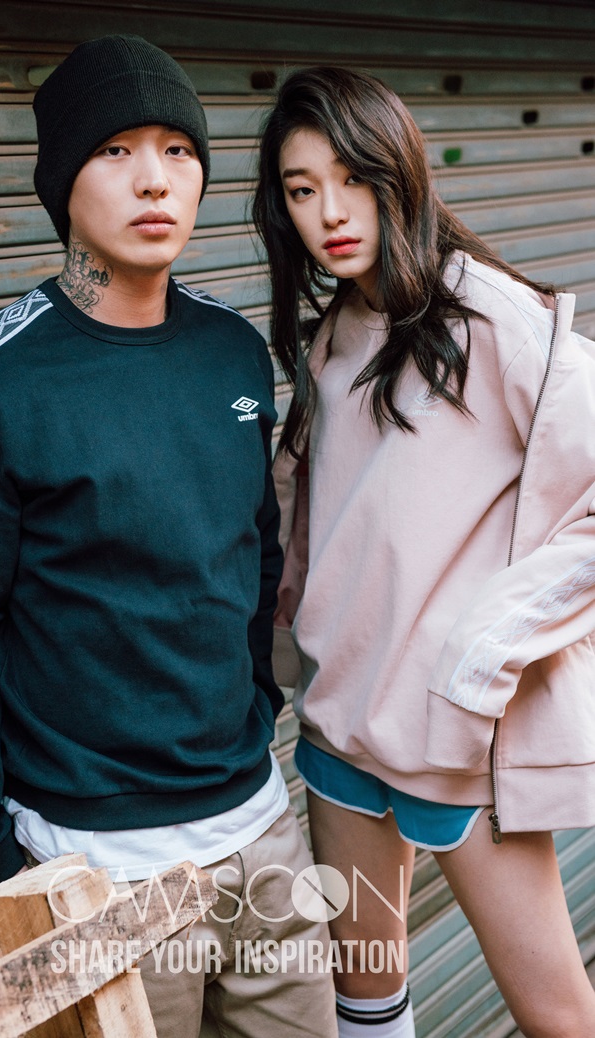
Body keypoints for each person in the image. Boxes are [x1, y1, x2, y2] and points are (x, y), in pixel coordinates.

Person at [0, 36, 337, 1038]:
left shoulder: (231, 350)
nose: (155, 179)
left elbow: (254, 551)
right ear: (62, 181)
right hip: (96, 866)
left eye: (177, 150)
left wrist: (255, 705)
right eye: (115, 150)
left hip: (260, 828)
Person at [254, 65, 595, 1038]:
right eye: (301, 189)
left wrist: (483, 651)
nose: (329, 212)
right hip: (339, 732)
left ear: (397, 172)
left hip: (455, 741)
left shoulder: (488, 314)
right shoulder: (330, 338)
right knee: (365, 1005)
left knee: (557, 1016)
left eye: (352, 178)